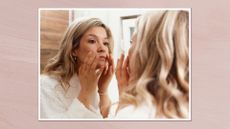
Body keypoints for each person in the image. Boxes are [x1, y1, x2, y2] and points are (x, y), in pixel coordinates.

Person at [102, 10, 189, 119]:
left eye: (132, 42)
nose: (128, 51)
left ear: (145, 54)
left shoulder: (133, 115)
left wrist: (125, 97)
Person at [40, 17, 114, 119]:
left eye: (105, 43)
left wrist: (103, 91)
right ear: (74, 49)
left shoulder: (95, 82)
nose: (102, 48)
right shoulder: (45, 86)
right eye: (92, 41)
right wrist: (85, 93)